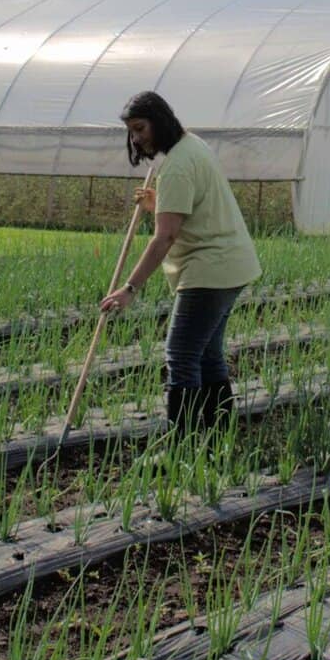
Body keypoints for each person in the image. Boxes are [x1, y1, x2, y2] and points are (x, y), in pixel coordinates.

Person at [100, 91, 262, 430]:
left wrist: (129, 288)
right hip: (231, 264)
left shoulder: (176, 166)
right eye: (131, 131)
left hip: (209, 269)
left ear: (159, 121)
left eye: (140, 128)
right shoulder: (193, 146)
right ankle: (218, 435)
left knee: (181, 356)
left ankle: (182, 443)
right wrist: (159, 202)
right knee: (207, 355)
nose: (136, 138)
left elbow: (165, 237)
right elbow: (192, 207)